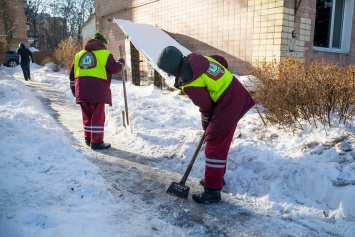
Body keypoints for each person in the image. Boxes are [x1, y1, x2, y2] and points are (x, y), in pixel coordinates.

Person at [157, 46, 255, 204]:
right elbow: (219, 60)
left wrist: (208, 124)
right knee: (219, 144)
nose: (168, 74)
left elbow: (206, 106)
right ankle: (216, 180)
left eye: (167, 70)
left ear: (171, 67)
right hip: (234, 95)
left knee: (214, 146)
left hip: (227, 104)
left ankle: (212, 192)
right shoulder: (196, 60)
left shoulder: (190, 79)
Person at [69, 32, 125, 150]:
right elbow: (115, 69)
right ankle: (97, 142)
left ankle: (88, 139)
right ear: (103, 45)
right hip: (97, 90)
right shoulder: (105, 54)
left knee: (87, 115)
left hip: (82, 90)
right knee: (97, 116)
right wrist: (121, 62)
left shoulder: (79, 54)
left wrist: (74, 89)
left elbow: (72, 74)